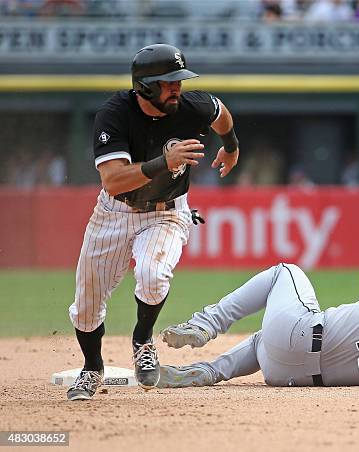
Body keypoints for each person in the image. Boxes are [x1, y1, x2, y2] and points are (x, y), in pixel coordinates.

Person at [66, 43, 241, 401]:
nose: (177, 87)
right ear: (144, 85)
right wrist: (165, 161)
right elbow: (113, 181)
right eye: (168, 82)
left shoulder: (192, 106)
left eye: (179, 80)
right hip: (115, 212)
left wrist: (232, 145)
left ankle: (143, 340)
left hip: (168, 211)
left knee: (153, 274)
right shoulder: (114, 114)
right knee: (86, 305)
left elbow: (221, 113)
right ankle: (92, 367)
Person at [156, 264, 359, 388]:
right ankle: (211, 371)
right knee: (261, 340)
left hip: (298, 335)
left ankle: (206, 323)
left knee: (285, 271)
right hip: (286, 377)